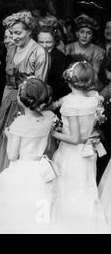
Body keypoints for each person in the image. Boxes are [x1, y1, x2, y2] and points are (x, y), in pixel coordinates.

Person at [0, 11, 50, 190]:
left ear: (29, 31)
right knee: (3, 140)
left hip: (29, 105)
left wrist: (27, 110)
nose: (15, 37)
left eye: (19, 33)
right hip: (10, 101)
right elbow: (8, 84)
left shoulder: (39, 53)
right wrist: (4, 105)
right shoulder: (11, 50)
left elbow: (40, 88)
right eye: (12, 33)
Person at [0, 78, 56, 233]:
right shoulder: (49, 117)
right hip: (39, 172)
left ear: (20, 99)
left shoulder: (19, 123)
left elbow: (12, 155)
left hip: (21, 170)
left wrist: (9, 135)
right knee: (36, 212)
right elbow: (47, 143)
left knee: (11, 212)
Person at [51, 61, 109, 233]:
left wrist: (53, 133)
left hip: (72, 153)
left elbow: (75, 138)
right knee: (84, 189)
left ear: (69, 81)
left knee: (68, 191)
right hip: (88, 152)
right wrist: (63, 127)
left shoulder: (71, 104)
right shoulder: (94, 99)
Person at [37, 25, 70, 101]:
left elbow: (61, 86)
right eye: (41, 42)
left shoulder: (61, 58)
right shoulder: (32, 55)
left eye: (48, 42)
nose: (44, 46)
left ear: (55, 41)